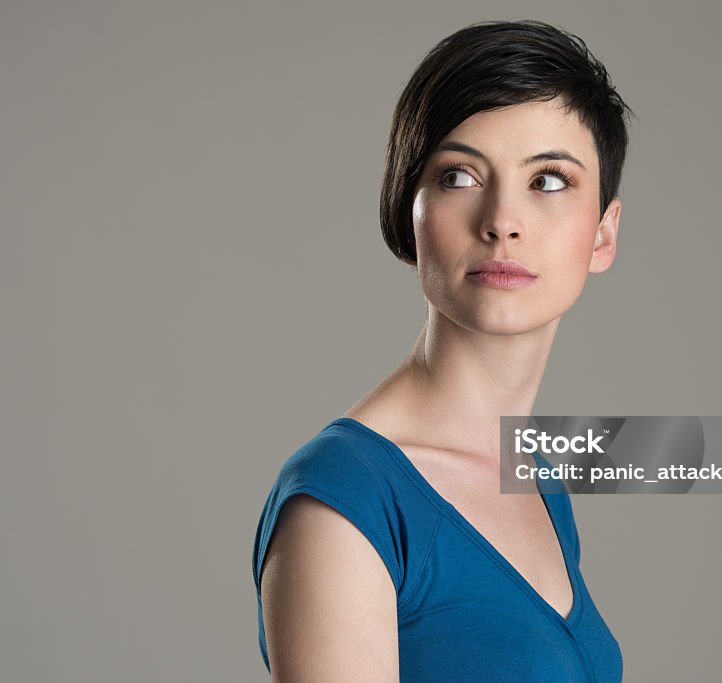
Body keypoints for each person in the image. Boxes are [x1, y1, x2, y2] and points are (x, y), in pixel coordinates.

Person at [253, 20, 630, 682]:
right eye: (459, 174)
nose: (502, 220)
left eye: (547, 181)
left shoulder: (537, 477)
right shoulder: (345, 499)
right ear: (406, 218)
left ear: (603, 235)